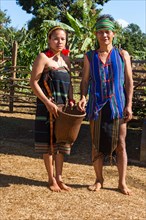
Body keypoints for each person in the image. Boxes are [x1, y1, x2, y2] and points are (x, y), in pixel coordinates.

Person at [78, 14, 133, 195]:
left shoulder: (122, 54)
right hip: (96, 106)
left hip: (118, 105)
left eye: (107, 32)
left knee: (121, 144)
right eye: (100, 32)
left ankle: (122, 183)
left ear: (114, 34)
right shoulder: (90, 56)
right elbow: (85, 80)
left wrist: (129, 105)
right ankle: (98, 179)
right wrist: (83, 96)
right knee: (96, 144)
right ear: (96, 35)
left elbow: (129, 81)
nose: (104, 35)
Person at [30, 26, 75, 192]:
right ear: (49, 40)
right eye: (56, 38)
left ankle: (60, 178)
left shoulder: (66, 60)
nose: (59, 41)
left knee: (61, 143)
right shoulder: (43, 57)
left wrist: (71, 99)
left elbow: (70, 84)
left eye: (62, 39)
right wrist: (47, 103)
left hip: (63, 109)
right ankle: (51, 179)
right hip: (47, 106)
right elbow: (33, 83)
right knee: (49, 143)